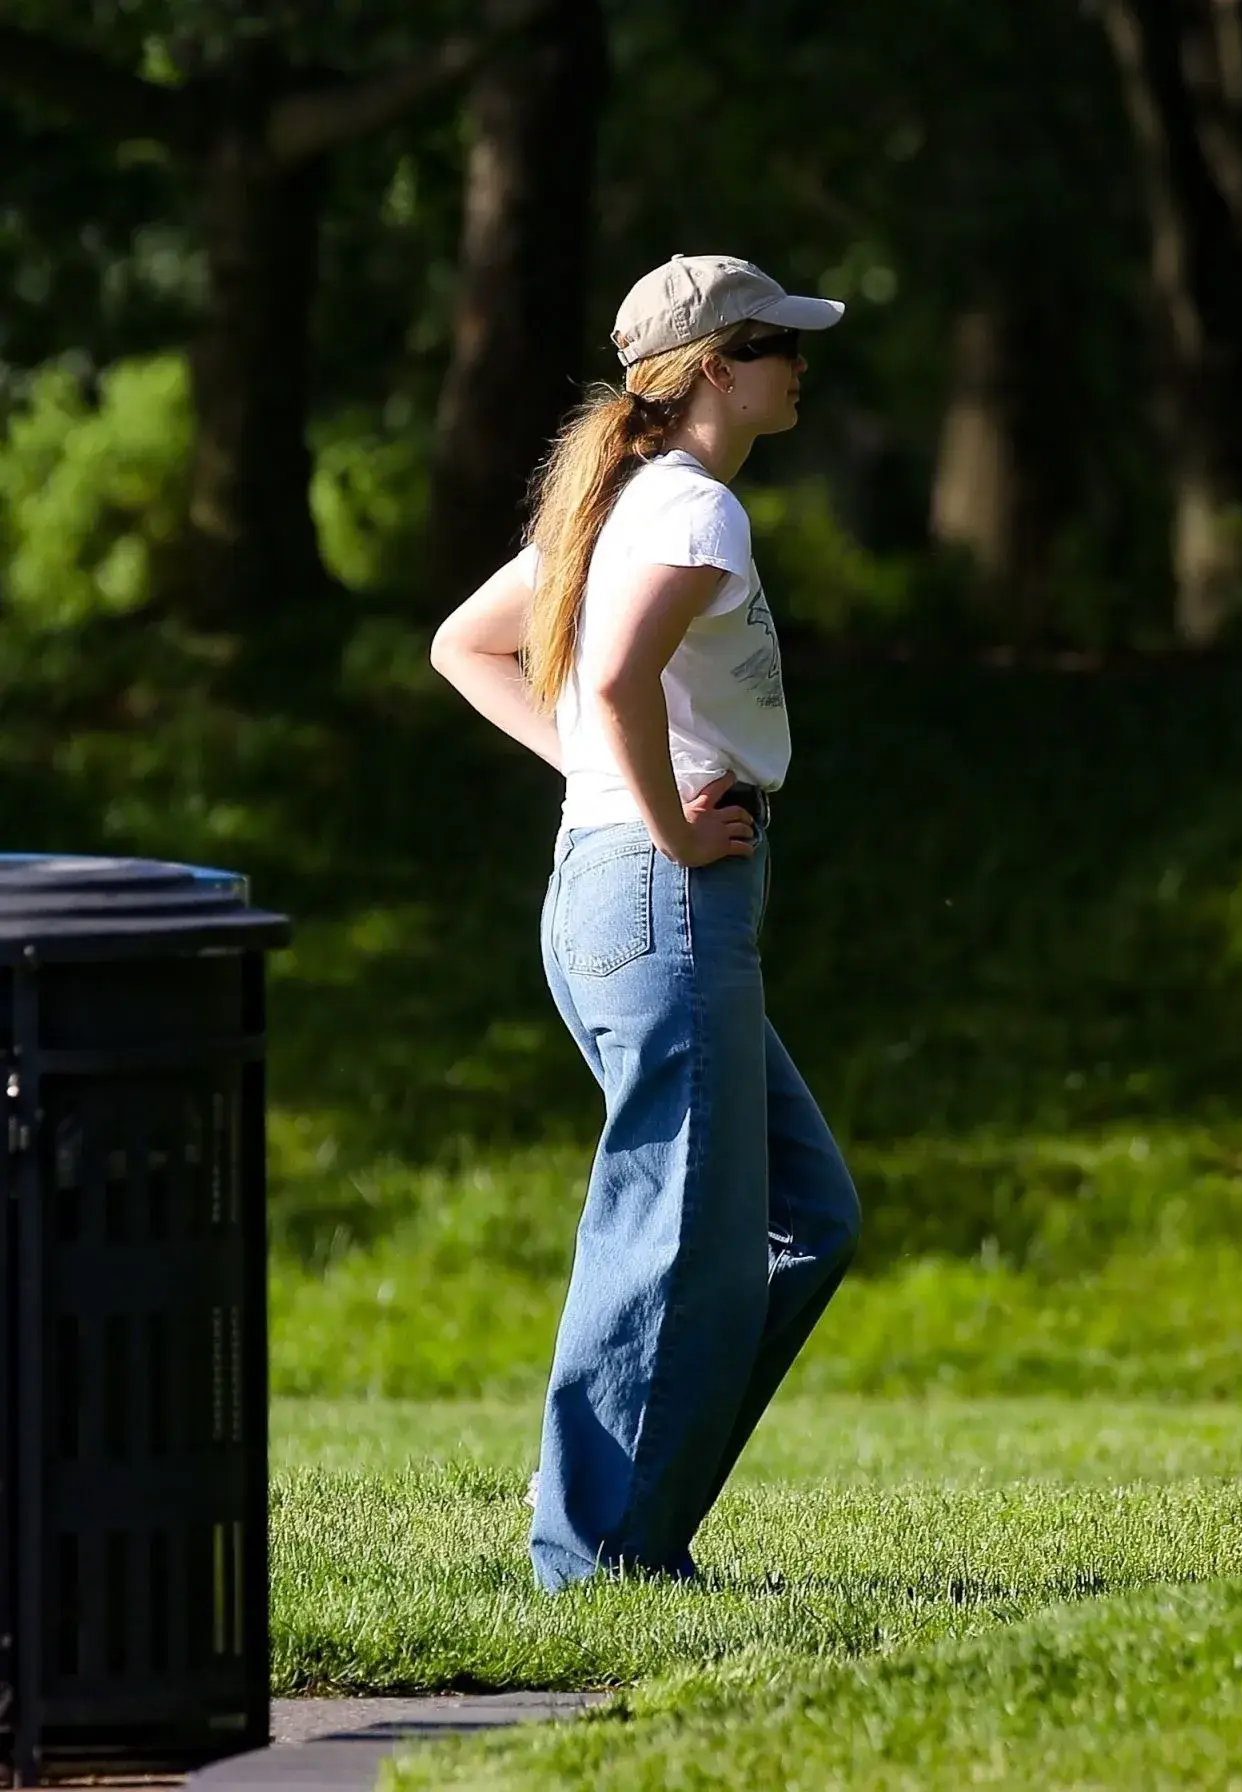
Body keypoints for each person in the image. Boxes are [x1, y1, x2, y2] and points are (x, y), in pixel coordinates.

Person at [430, 253, 860, 1592]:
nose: (803, 367)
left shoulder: (619, 504)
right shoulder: (693, 513)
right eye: (782, 345)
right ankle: (594, 1561)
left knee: (809, 1214)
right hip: (667, 891)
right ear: (720, 368)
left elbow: (465, 645)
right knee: (668, 1227)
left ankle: (635, 1527)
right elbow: (607, 675)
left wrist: (605, 783)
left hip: (625, 890)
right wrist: (663, 821)